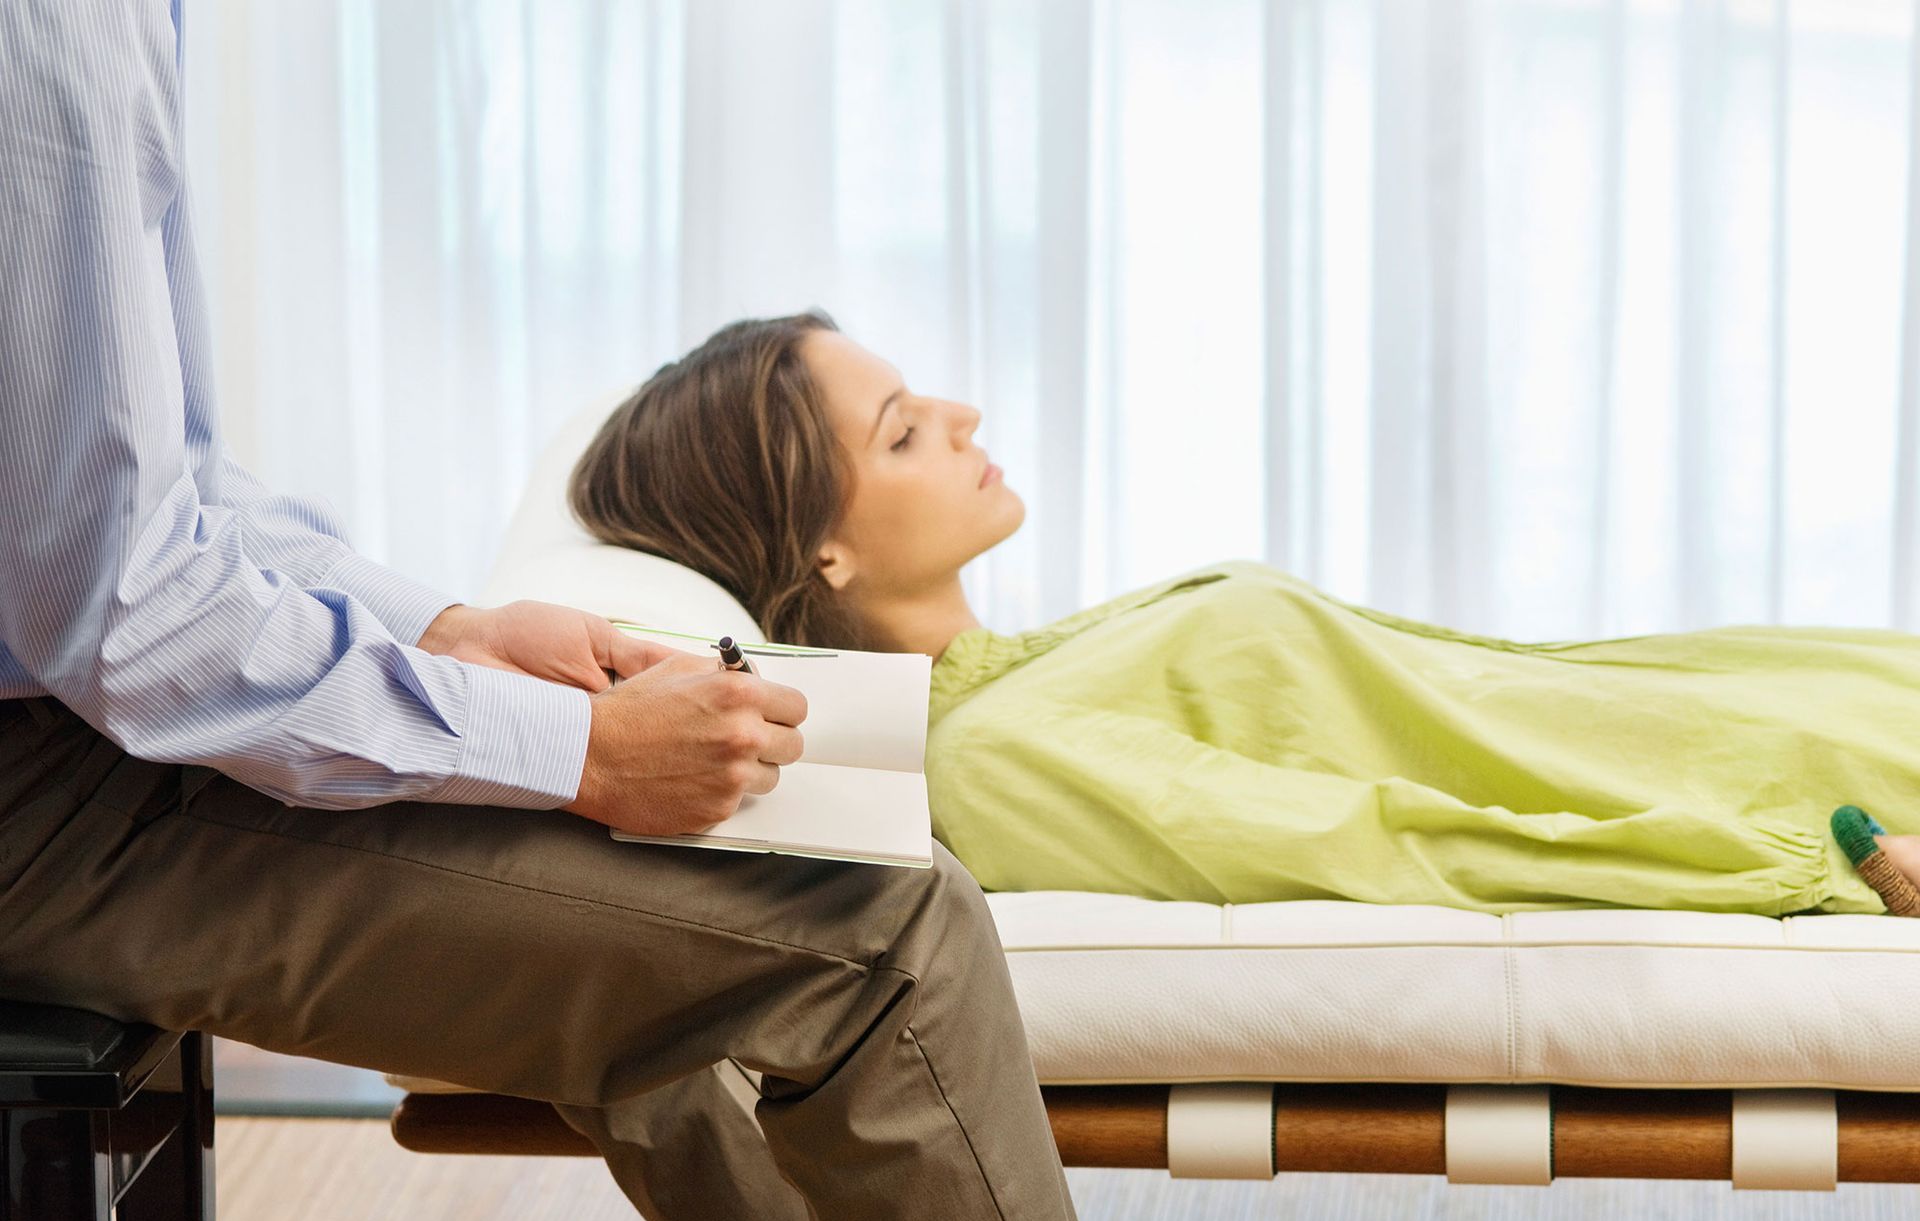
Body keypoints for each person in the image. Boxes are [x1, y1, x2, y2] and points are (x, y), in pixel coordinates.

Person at [0, 4, 1094, 1221]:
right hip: (48, 785)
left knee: (665, 963)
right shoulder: (54, 30)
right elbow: (124, 613)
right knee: (893, 935)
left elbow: (162, 490)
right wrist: (577, 750)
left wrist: (454, 631)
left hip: (75, 729)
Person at [570, 309, 1920, 921]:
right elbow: (1387, 841)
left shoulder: (1046, 668)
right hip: (1777, 780)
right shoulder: (996, 757)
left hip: (1757, 693)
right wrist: (1813, 857)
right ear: (826, 550)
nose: (965, 415)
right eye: (907, 431)